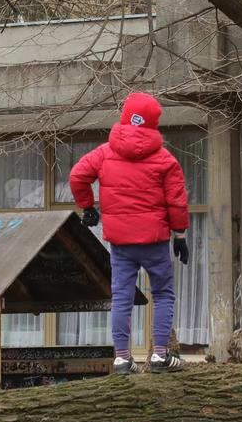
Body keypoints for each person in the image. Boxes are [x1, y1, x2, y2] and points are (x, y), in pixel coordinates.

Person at [68, 91, 190, 375]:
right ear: (153, 123)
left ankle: (122, 358)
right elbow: (177, 200)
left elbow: (77, 176)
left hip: (121, 243)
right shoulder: (165, 159)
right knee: (163, 294)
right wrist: (180, 234)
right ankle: (160, 356)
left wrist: (87, 207)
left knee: (121, 296)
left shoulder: (104, 153)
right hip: (155, 241)